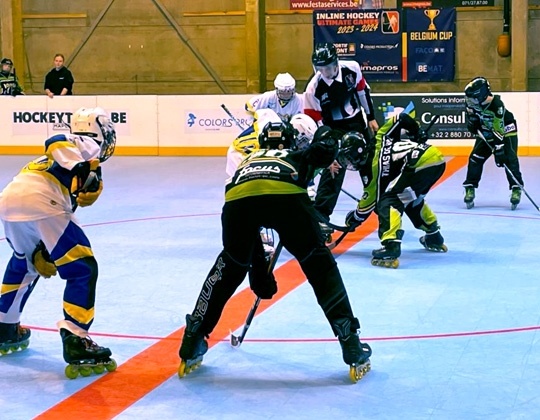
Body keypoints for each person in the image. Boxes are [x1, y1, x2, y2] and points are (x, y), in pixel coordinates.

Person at [178, 122, 372, 380]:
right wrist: (331, 138)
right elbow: (321, 153)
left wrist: (259, 276)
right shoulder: (294, 154)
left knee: (228, 267)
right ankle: (350, 341)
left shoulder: (247, 159)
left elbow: (252, 241)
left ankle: (191, 340)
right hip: (286, 197)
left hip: (237, 199)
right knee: (320, 267)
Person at [0, 107, 117, 377]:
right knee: (82, 268)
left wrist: (44, 251)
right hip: (41, 200)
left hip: (11, 199)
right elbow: (57, 140)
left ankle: (5, 325)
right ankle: (77, 337)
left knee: (25, 263)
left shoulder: (71, 161)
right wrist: (85, 168)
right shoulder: (87, 146)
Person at [344, 106, 447, 268]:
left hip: (418, 163)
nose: (347, 164)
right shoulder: (381, 136)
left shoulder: (372, 170)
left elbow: (370, 203)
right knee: (411, 200)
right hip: (437, 160)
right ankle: (434, 235)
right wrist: (416, 132)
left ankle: (390, 245)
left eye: (348, 159)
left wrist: (355, 218)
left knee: (389, 200)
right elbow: (401, 117)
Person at [303, 43, 379, 228]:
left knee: (371, 166)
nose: (325, 72)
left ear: (336, 62)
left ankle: (383, 206)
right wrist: (327, 150)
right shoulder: (313, 88)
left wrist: (371, 118)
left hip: (357, 124)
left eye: (328, 67)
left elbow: (362, 92)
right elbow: (315, 122)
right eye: (320, 68)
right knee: (333, 171)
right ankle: (321, 217)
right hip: (332, 129)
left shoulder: (352, 68)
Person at [462, 76, 524, 210]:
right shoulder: (470, 102)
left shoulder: (497, 105)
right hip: (486, 130)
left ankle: (516, 188)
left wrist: (499, 149)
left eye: (473, 97)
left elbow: (498, 129)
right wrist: (472, 124)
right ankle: (470, 187)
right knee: (475, 158)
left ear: (482, 95)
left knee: (509, 158)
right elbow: (472, 118)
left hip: (506, 129)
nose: (469, 100)